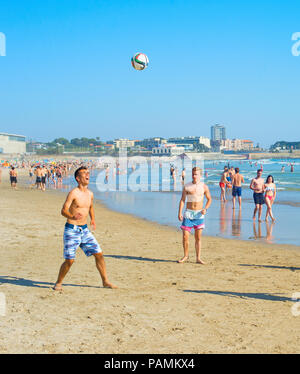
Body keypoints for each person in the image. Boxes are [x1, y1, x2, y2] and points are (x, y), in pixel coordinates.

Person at [53, 166, 117, 291]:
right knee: (69, 260)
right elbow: (63, 210)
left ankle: (105, 281)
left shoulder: (90, 194)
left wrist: (93, 219)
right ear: (78, 178)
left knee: (99, 254)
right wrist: (72, 215)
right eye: (84, 173)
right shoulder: (73, 193)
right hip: (72, 229)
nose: (87, 175)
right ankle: (59, 282)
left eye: (88, 173)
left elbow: (91, 207)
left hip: (85, 230)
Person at [178, 167, 212, 264]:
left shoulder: (204, 186)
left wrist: (205, 209)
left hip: (199, 214)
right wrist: (179, 213)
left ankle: (198, 258)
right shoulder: (187, 186)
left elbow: (209, 199)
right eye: (193, 174)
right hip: (188, 213)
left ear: (200, 175)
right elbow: (182, 200)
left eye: (196, 174)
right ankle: (185, 256)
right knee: (185, 236)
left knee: (198, 238)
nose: (194, 176)